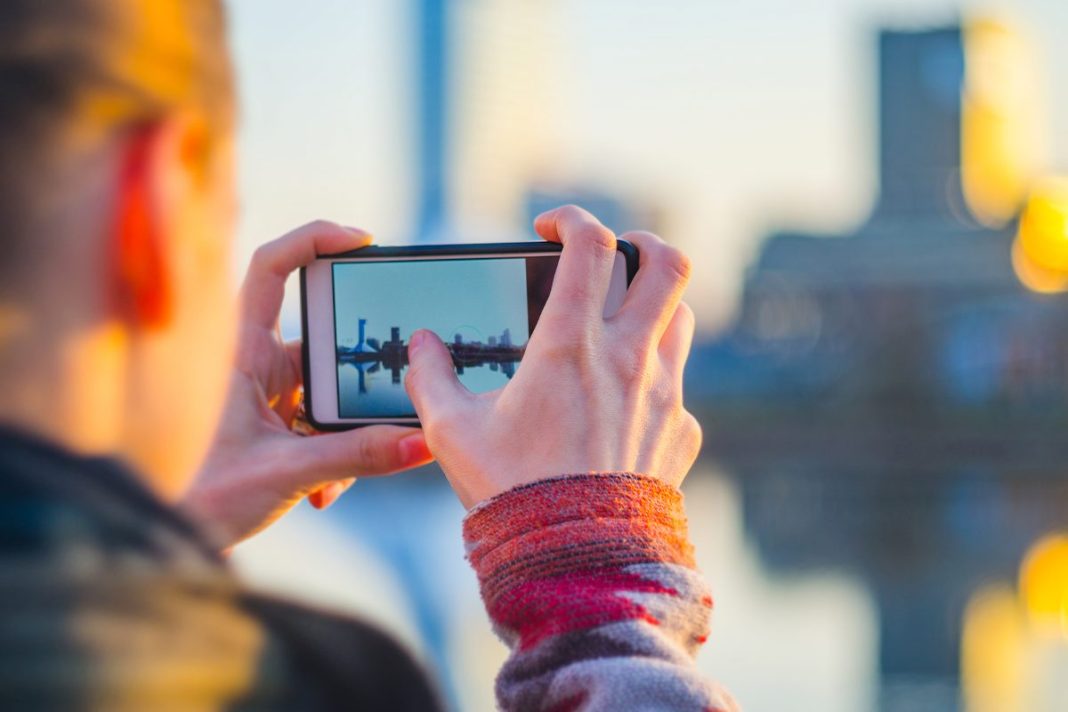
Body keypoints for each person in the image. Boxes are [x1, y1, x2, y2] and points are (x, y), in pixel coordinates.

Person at [0, 1, 738, 710]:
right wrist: (596, 567)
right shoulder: (306, 688)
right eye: (220, 223)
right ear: (150, 215)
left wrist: (158, 534)